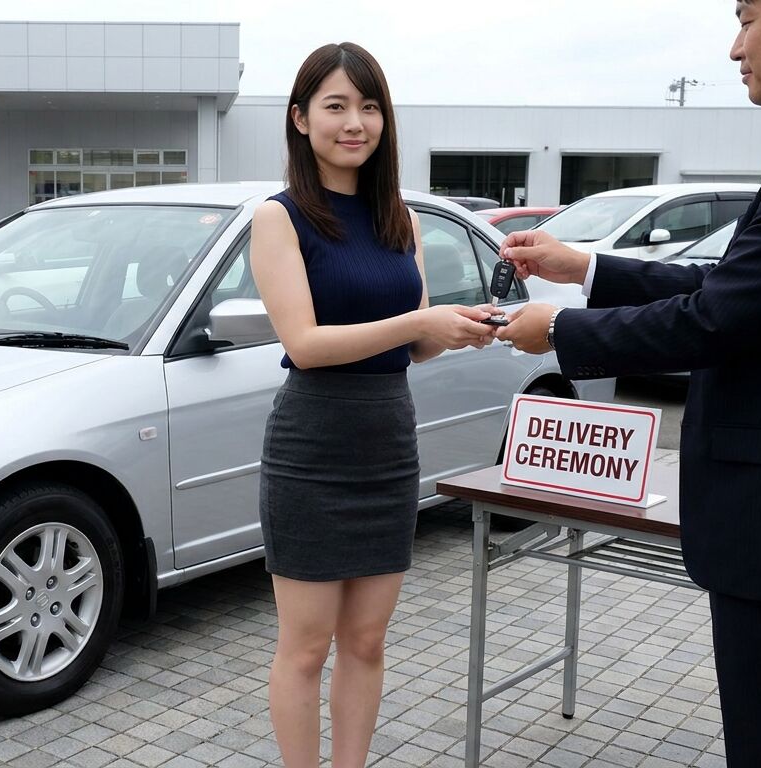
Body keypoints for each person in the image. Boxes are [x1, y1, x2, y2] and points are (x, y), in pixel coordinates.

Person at [495, 1, 761, 764]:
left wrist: (558, 331)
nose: (735, 46)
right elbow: (747, 287)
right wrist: (588, 268)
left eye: (747, 18)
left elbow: (718, 320)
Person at [250, 42, 497, 768]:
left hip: (388, 444)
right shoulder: (279, 217)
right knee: (304, 648)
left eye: (368, 106)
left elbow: (411, 346)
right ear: (300, 119)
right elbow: (306, 341)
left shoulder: (400, 219)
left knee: (366, 641)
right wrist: (419, 323)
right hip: (312, 449)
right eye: (335, 106)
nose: (354, 122)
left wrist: (456, 330)